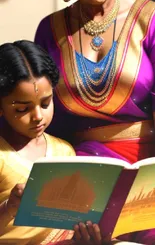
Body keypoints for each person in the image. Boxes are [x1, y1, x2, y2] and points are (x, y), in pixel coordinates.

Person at [35, 0, 155, 243]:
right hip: (83, 173)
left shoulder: (150, 19)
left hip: (147, 167)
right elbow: (45, 117)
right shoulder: (49, 30)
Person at [0, 40, 107, 245]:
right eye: (23, 109)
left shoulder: (64, 151)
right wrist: (9, 207)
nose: (38, 116)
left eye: (46, 103)